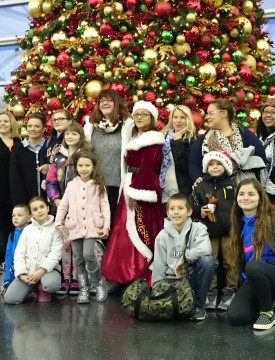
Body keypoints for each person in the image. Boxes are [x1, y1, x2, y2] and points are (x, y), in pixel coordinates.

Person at [101, 100, 165, 285]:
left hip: (142, 186)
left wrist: (137, 194)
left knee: (140, 227)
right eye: (137, 114)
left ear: (152, 118)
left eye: (144, 114)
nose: (139, 118)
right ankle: (123, 273)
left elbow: (147, 168)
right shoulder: (135, 136)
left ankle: (141, 272)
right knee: (124, 229)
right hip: (130, 184)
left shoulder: (153, 139)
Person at [227, 179, 275, 331]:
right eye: (241, 194)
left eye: (251, 194)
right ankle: (271, 301)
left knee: (254, 266)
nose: (245, 198)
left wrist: (257, 270)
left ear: (260, 198)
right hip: (254, 275)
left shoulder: (273, 221)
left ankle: (268, 312)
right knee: (236, 317)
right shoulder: (239, 222)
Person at [45, 120, 93, 296]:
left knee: (79, 246)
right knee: (65, 243)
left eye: (74, 133)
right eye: (68, 134)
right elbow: (51, 180)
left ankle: (80, 280)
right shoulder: (58, 157)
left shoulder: (86, 156)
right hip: (61, 208)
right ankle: (67, 278)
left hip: (81, 209)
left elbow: (93, 181)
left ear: (80, 136)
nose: (71, 136)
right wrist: (56, 200)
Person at [55, 152, 111, 304]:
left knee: (88, 255)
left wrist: (106, 226)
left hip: (93, 226)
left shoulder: (99, 184)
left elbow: (105, 207)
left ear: (93, 167)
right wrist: (58, 222)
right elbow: (64, 204)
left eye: (87, 165)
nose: (84, 168)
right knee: (78, 259)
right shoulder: (72, 185)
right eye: (80, 165)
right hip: (74, 226)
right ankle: (84, 289)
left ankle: (98, 283)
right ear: (76, 167)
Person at [152, 194, 215, 321]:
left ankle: (198, 305)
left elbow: (206, 249)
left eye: (180, 208)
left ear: (189, 212)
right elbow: (159, 266)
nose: (176, 212)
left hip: (191, 278)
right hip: (172, 281)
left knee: (207, 261)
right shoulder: (161, 236)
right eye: (172, 209)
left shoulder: (199, 228)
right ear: (168, 213)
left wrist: (184, 259)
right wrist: (157, 293)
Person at [190, 150, 237, 311]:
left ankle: (230, 291)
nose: (215, 167)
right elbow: (192, 206)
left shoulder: (233, 184)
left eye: (219, 164)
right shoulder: (200, 185)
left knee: (230, 262)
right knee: (212, 262)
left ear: (226, 167)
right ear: (206, 167)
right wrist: (199, 212)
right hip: (209, 231)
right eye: (211, 164)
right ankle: (211, 292)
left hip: (230, 230)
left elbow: (240, 205)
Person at [84, 89, 133, 232]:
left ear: (116, 103)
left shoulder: (127, 125)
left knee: (113, 226)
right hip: (95, 184)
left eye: (109, 100)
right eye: (102, 100)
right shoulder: (90, 125)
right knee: (95, 225)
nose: (105, 103)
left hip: (116, 184)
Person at [188, 98, 267, 184]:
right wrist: (198, 179)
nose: (207, 117)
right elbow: (194, 163)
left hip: (244, 187)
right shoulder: (204, 139)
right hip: (215, 188)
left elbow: (261, 157)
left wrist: (239, 163)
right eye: (207, 114)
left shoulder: (244, 134)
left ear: (224, 113)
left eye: (211, 113)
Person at [4, 197, 63, 304]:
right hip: (28, 272)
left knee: (51, 284)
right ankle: (32, 287)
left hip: (48, 271)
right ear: (31, 214)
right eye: (35, 209)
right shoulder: (27, 230)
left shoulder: (55, 229)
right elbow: (19, 253)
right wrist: (21, 274)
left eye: (42, 207)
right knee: (10, 299)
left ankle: (42, 288)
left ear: (48, 208)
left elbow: (56, 254)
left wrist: (41, 271)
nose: (39, 211)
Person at [160, 105, 198, 203]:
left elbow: (184, 166)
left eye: (182, 117)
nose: (178, 121)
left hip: (181, 187)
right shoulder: (163, 136)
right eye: (175, 117)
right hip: (163, 186)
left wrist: (178, 142)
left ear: (187, 120)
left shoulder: (190, 140)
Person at [10, 113, 47, 206]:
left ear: (43, 129)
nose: (32, 129)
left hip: (49, 202)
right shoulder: (18, 149)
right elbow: (15, 179)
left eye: (37, 126)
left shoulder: (48, 147)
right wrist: (20, 204)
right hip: (26, 202)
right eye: (30, 126)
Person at [0, 204, 31, 295]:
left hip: (31, 272)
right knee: (9, 295)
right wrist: (7, 279)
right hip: (16, 273)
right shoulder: (12, 235)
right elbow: (8, 258)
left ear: (29, 218)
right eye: (13, 215)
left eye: (19, 215)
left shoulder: (33, 232)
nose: (15, 218)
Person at [37, 109, 73, 181]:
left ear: (70, 121)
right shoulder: (48, 141)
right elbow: (42, 161)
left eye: (60, 119)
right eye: (54, 120)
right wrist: (44, 180)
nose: (56, 122)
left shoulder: (72, 139)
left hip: (67, 183)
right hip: (51, 184)